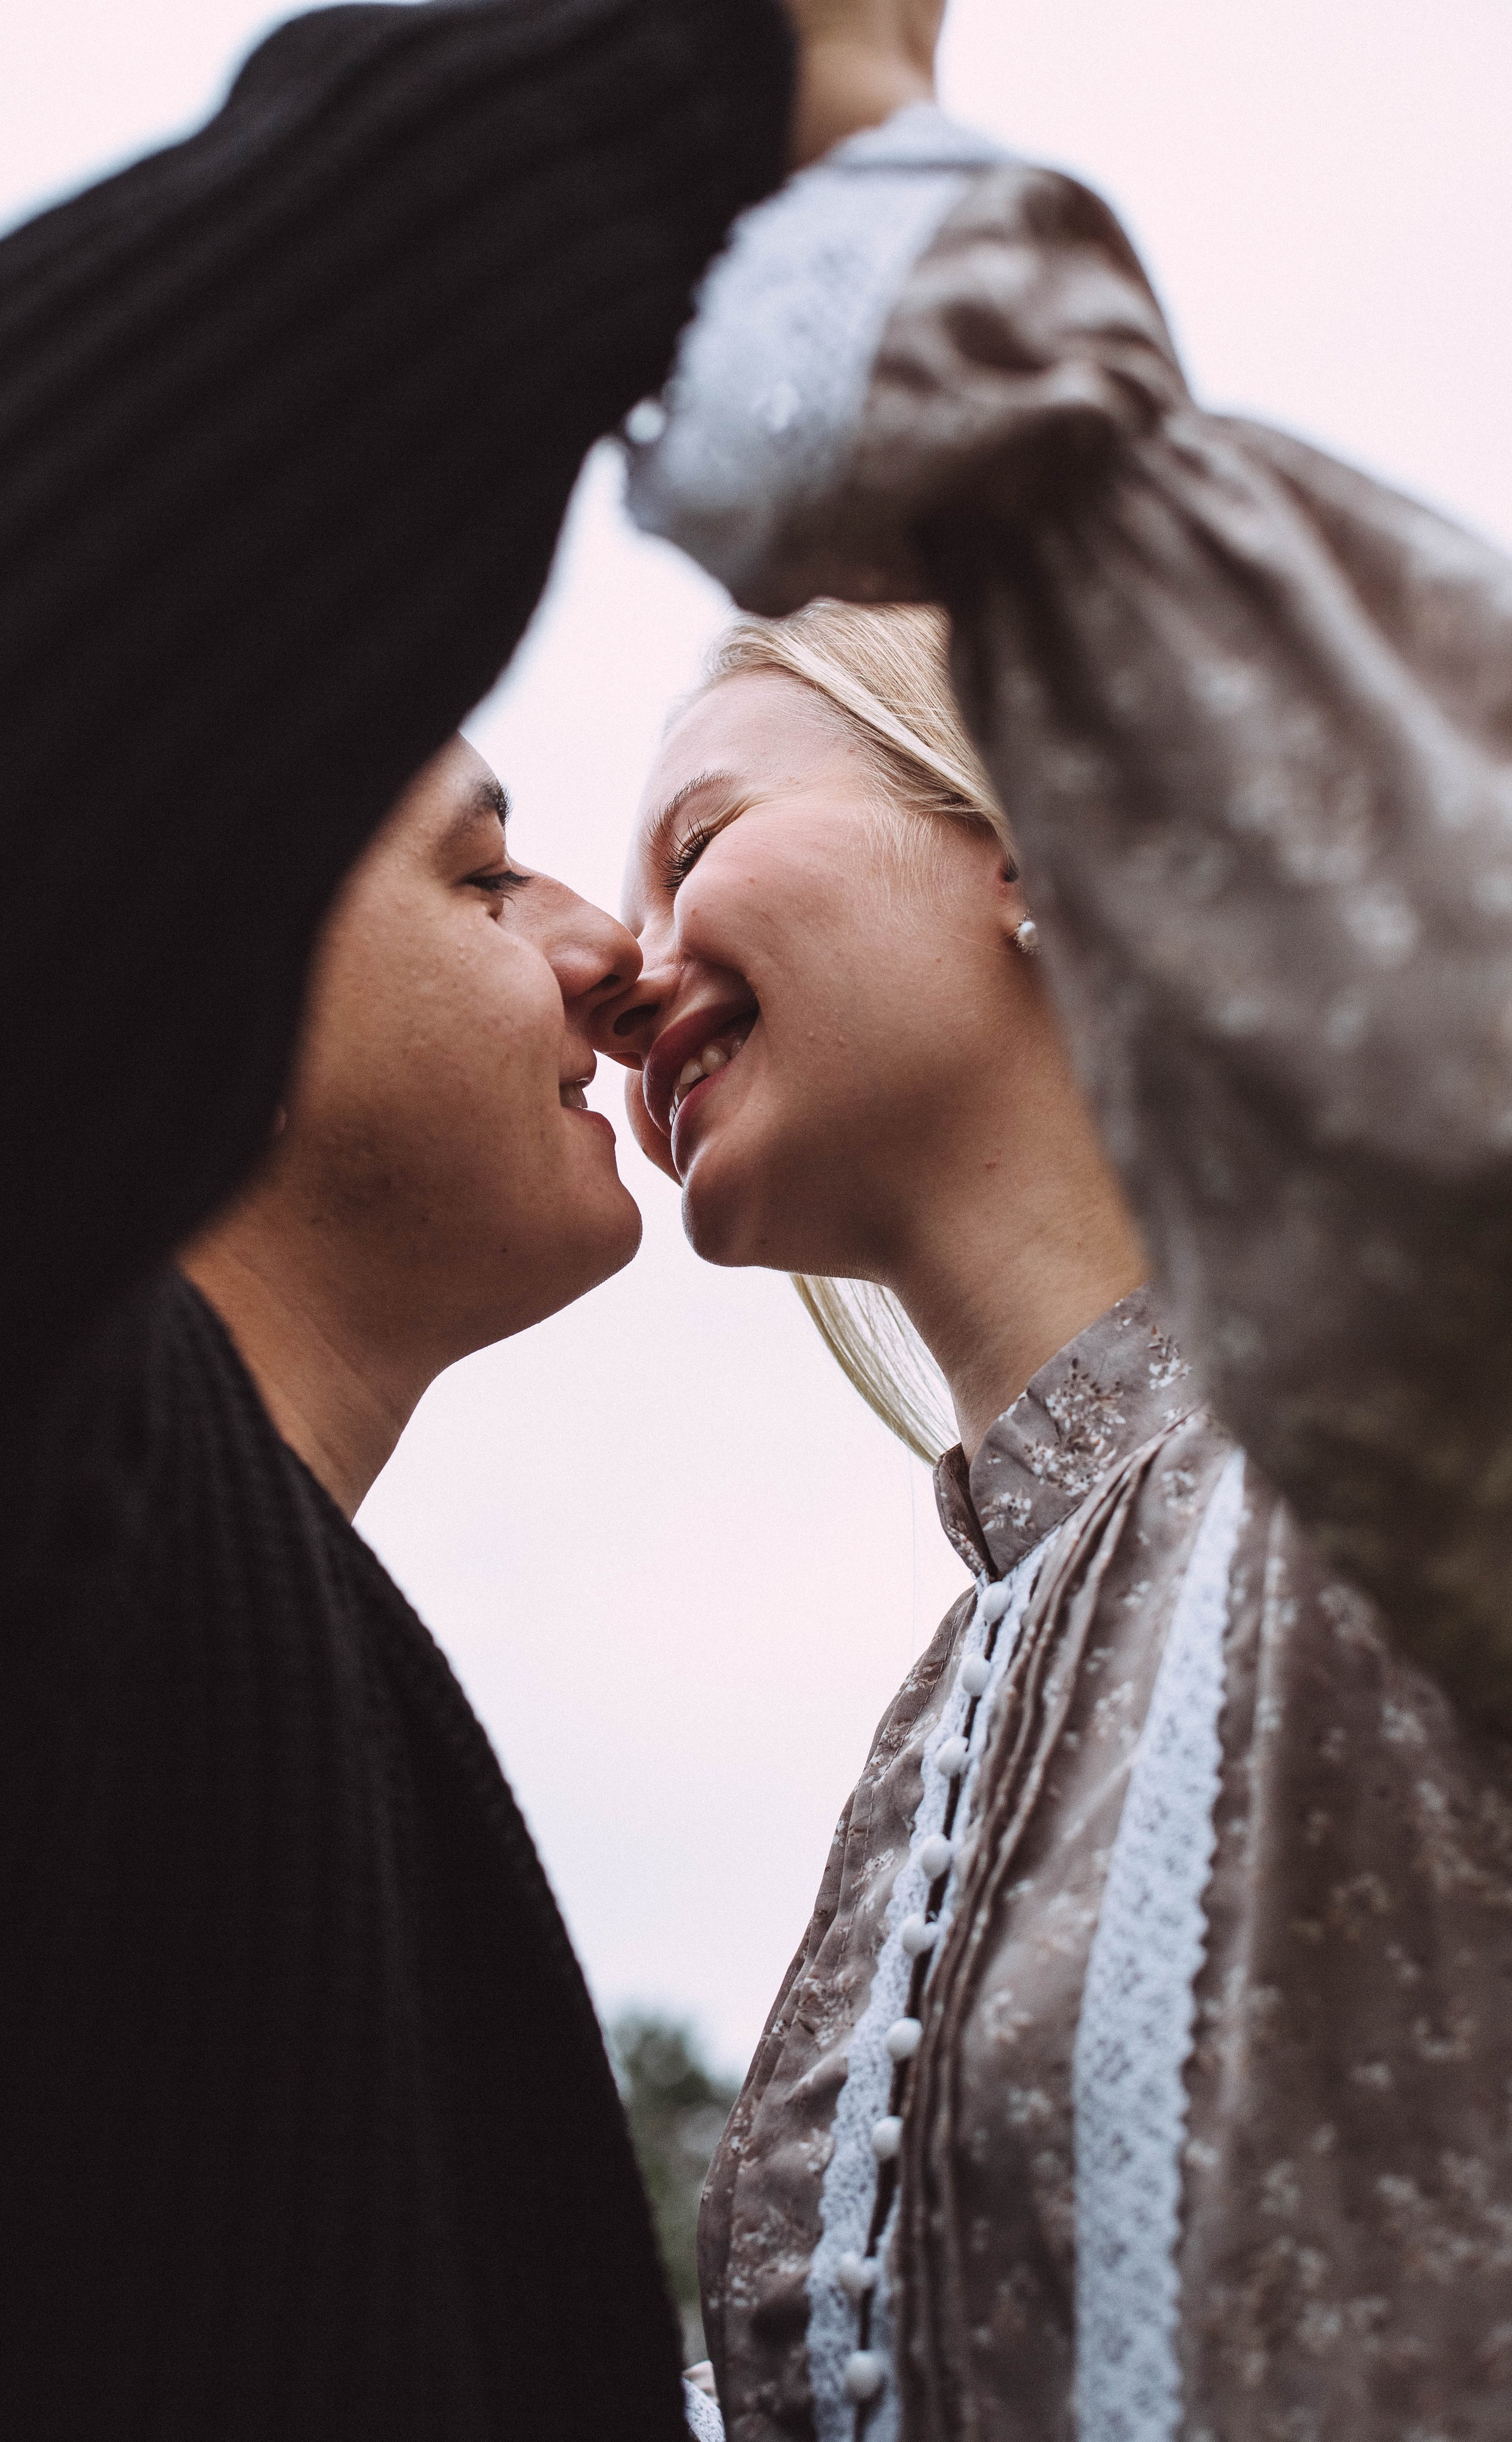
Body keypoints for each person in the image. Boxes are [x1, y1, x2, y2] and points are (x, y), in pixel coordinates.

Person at [0, 0, 943, 2430]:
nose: (612, 950)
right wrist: (691, 66)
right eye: (489, 864)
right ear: (181, 911)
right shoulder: (6, 1441)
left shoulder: (266, 1658)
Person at [608, 83, 1512, 2432]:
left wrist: (845, 138)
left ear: (1030, 828)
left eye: (698, 832)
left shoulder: (1400, 1420)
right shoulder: (928, 1724)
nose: (622, 959)